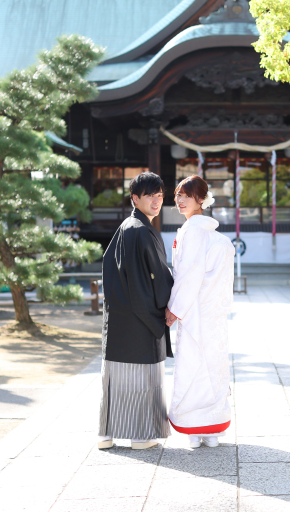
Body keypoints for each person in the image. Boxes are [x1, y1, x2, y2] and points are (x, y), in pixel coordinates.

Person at [98, 172, 173, 450]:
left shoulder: (125, 227)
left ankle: (106, 435)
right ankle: (140, 436)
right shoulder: (143, 231)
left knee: (115, 378)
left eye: (159, 195)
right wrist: (170, 306)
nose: (156, 201)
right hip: (141, 317)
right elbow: (160, 275)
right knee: (140, 379)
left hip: (119, 317)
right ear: (135, 198)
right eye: (149, 195)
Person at [165, 175, 235, 448]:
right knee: (213, 366)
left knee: (193, 365)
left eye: (187, 195)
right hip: (213, 313)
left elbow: (188, 275)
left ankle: (195, 429)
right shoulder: (212, 234)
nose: (180, 200)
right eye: (178, 195)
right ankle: (213, 429)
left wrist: (174, 310)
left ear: (201, 200)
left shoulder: (193, 230)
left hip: (195, 311)